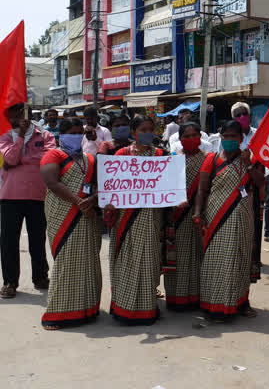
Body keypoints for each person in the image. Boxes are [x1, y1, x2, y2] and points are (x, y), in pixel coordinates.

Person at [193, 120, 259, 321]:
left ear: (241, 138)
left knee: (238, 258)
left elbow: (261, 183)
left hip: (241, 217)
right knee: (214, 260)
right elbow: (202, 190)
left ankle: (239, 302)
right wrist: (197, 213)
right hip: (215, 216)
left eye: (234, 136)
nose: (229, 140)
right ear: (220, 137)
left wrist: (248, 165)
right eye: (226, 136)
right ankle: (212, 303)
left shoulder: (250, 158)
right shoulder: (211, 160)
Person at [39, 118, 100, 329]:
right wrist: (78, 202)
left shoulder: (90, 159)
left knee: (87, 261)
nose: (76, 137)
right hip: (63, 213)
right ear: (61, 135)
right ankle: (57, 314)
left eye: (79, 133)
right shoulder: (53, 154)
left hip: (87, 214)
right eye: (71, 133)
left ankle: (87, 309)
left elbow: (98, 184)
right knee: (67, 263)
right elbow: (52, 182)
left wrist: (92, 201)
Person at [106, 115, 164, 324]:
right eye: (143, 130)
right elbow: (111, 186)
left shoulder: (160, 155)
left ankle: (147, 308)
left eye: (151, 129)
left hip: (151, 218)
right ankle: (123, 307)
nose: (147, 133)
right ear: (133, 133)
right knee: (126, 261)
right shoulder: (121, 154)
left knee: (148, 262)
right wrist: (110, 202)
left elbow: (167, 186)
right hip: (125, 218)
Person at [0, 103, 55, 298]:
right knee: (8, 242)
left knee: (37, 240)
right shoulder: (5, 136)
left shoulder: (45, 135)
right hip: (10, 196)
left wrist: (19, 160)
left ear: (28, 115)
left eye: (18, 115)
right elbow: (12, 159)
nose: (14, 119)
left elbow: (47, 159)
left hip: (38, 196)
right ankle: (9, 282)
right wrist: (21, 138)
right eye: (11, 116)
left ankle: (40, 276)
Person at [163, 122, 207, 311]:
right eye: (186, 136)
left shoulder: (209, 159)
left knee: (197, 257)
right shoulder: (172, 159)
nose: (191, 139)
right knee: (177, 257)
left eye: (195, 135)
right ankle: (176, 299)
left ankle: (196, 297)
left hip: (199, 215)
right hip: (176, 216)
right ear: (179, 139)